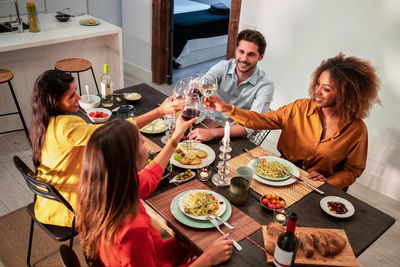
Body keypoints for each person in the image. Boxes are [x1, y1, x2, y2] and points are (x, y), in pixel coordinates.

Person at [203, 53, 380, 189]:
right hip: (281, 177)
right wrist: (228, 108)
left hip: (318, 188)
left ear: (346, 94)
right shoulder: (300, 108)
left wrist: (328, 181)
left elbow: (351, 171)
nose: (316, 91)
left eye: (325, 89)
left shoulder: (356, 130)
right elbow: (261, 120)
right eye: (317, 84)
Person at [29, 70, 182, 227]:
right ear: (55, 102)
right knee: (125, 189)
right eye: (71, 96)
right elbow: (114, 132)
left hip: (47, 202)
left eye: (76, 91)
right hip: (70, 209)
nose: (79, 97)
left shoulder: (41, 122)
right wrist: (160, 111)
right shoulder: (66, 126)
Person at [77, 119, 233, 266]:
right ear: (130, 160)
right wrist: (207, 260)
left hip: (144, 257)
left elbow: (151, 175)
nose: (148, 148)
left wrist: (177, 135)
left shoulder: (107, 188)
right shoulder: (134, 231)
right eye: (142, 142)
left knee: (197, 239)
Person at [188, 29, 275, 142]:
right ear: (236, 50)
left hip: (235, 135)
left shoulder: (265, 86)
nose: (244, 59)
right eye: (241, 51)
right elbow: (204, 81)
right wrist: (193, 89)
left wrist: (213, 133)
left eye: (251, 54)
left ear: (260, 57)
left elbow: (251, 126)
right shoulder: (223, 66)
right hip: (208, 122)